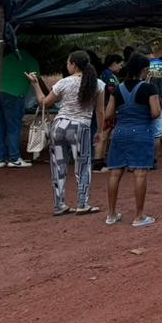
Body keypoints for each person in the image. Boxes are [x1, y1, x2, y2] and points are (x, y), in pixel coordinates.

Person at [27, 50, 106, 216]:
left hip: (59, 126)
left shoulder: (63, 83)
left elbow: (44, 102)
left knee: (58, 166)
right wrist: (100, 131)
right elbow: (100, 111)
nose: (67, 66)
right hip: (80, 127)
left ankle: (59, 204)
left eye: (68, 63)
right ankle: (82, 203)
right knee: (82, 166)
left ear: (74, 65)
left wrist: (35, 84)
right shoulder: (98, 84)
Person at [104, 53, 161, 227]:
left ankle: (111, 214)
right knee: (140, 173)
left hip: (120, 131)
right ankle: (139, 216)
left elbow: (108, 114)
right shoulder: (149, 88)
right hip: (141, 132)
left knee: (115, 173)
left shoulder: (118, 88)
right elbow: (155, 113)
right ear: (143, 70)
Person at [0, 47, 40, 169]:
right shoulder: (30, 60)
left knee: (0, 127)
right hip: (15, 95)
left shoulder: (5, 58)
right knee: (13, 127)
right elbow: (36, 80)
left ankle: (0, 158)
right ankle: (14, 158)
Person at [93, 53, 123, 171]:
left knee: (105, 134)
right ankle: (97, 162)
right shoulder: (108, 75)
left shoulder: (108, 74)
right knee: (103, 134)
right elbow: (111, 90)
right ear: (114, 63)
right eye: (120, 64)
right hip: (106, 107)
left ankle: (100, 160)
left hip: (108, 107)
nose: (121, 67)